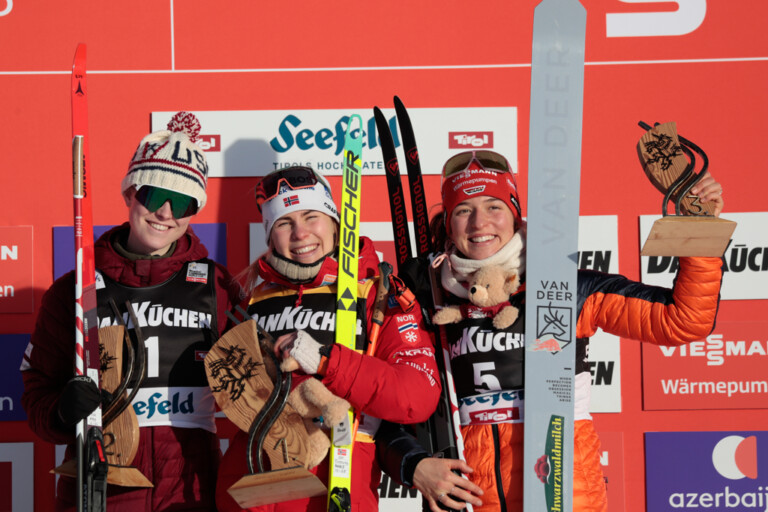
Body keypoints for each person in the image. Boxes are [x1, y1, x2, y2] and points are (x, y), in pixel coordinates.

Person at [375, 150, 726, 512]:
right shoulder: (427, 301)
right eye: (464, 210)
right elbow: (385, 409)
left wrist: (698, 226)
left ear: (515, 212)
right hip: (470, 497)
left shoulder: (563, 287)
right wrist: (414, 465)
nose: (480, 223)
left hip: (564, 494)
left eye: (494, 206)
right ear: (449, 223)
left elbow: (683, 319)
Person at [20, 112, 244, 511]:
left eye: (183, 201)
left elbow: (253, 382)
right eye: (155, 196)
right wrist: (61, 412)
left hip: (190, 491)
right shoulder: (75, 289)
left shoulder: (218, 287)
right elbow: (37, 399)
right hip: (102, 489)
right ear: (129, 194)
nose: (165, 213)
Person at [215, 166, 441, 511]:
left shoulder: (376, 293)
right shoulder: (251, 301)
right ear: (270, 235)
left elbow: (416, 395)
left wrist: (327, 361)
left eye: (311, 216)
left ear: (335, 221)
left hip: (336, 488)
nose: (300, 233)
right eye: (284, 223)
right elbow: (227, 399)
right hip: (253, 491)